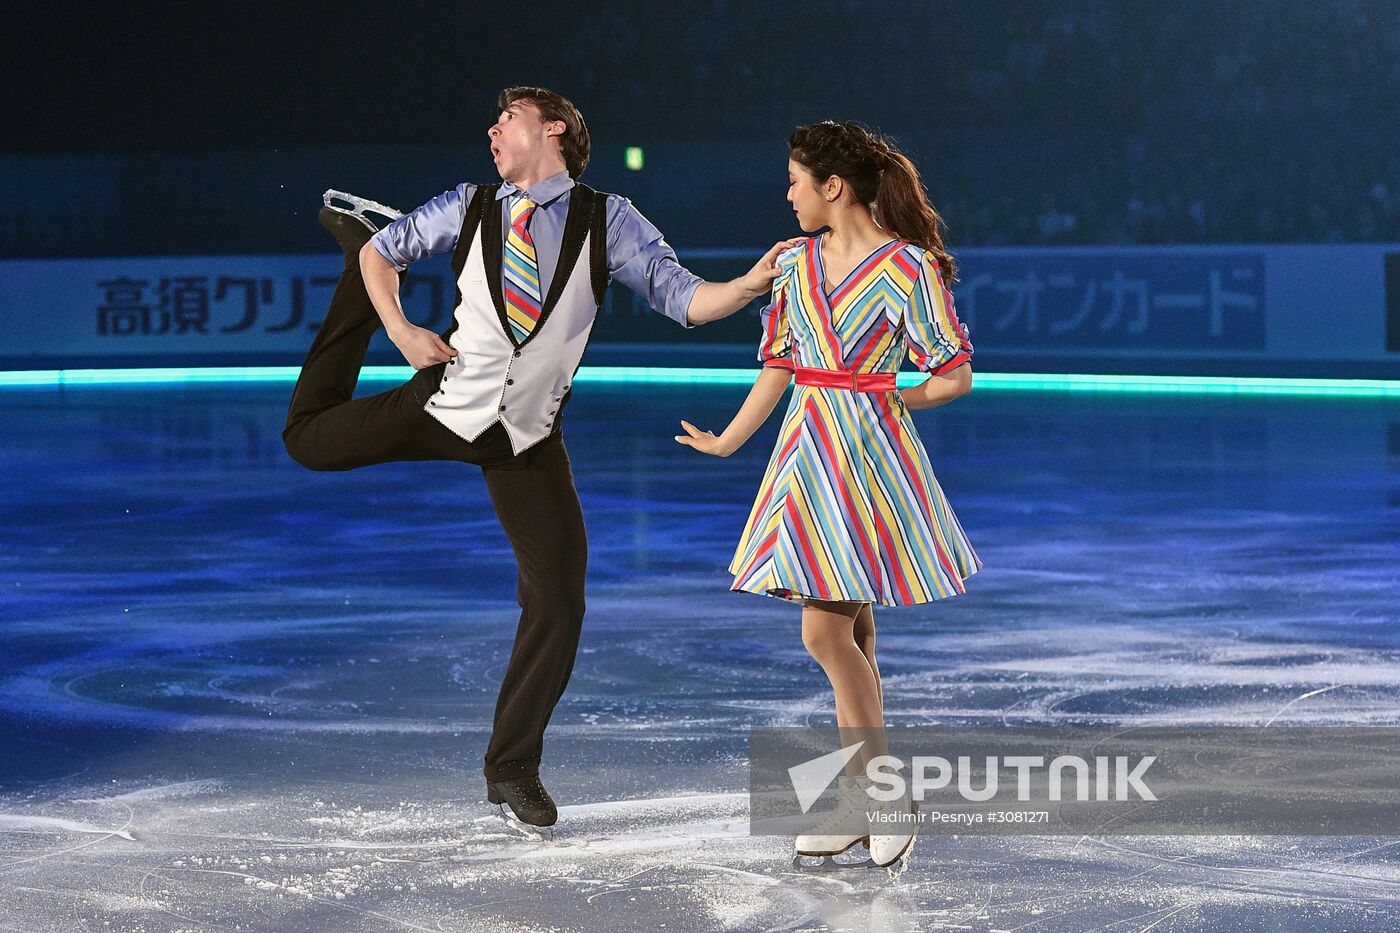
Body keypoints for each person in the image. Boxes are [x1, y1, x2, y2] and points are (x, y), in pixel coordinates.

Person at [283, 86, 798, 828]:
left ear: (554, 128)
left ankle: (511, 767)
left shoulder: (607, 218)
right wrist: (396, 326)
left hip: (525, 435)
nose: (493, 128)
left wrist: (747, 284)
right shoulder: (467, 204)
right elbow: (380, 257)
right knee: (306, 437)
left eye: (508, 118)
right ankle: (350, 296)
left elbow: (683, 298)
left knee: (558, 597)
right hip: (444, 401)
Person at [675, 121, 982, 867]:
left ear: (832, 187)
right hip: (808, 452)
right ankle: (857, 799)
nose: (787, 195)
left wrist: (902, 400)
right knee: (855, 630)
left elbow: (955, 370)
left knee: (822, 633)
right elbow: (780, 364)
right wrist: (727, 439)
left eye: (794, 181)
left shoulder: (909, 268)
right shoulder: (795, 265)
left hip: (870, 454)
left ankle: (883, 791)